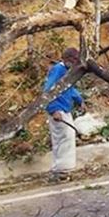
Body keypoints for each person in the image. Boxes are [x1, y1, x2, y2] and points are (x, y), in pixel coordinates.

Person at [43, 48, 85, 182]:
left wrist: (80, 100)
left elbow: (69, 88)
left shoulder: (67, 72)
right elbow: (48, 90)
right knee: (64, 137)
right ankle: (60, 170)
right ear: (69, 60)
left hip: (65, 109)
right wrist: (53, 109)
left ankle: (64, 170)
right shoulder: (58, 70)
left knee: (68, 136)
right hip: (58, 110)